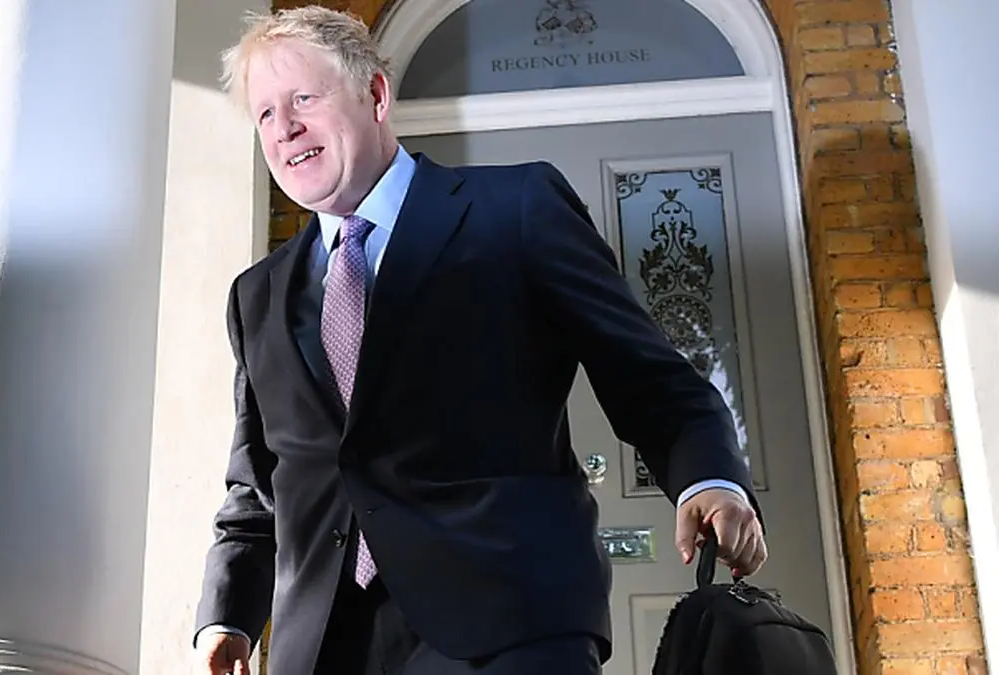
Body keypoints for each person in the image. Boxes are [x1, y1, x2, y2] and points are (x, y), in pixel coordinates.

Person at [193, 6, 767, 675]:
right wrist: (226, 614)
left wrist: (709, 478)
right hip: (323, 647)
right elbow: (259, 484)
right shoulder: (258, 294)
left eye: (302, 100)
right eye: (265, 113)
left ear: (375, 94)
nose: (284, 128)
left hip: (510, 622)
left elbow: (646, 375)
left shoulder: (515, 210)